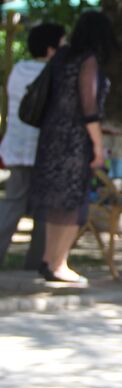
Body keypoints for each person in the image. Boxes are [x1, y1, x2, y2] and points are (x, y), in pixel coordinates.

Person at [29, 11, 112, 285]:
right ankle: (59, 263)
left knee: (54, 203)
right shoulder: (88, 60)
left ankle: (48, 258)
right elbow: (88, 108)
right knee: (72, 203)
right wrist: (99, 146)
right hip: (74, 140)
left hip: (50, 136)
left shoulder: (62, 56)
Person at [0, 21, 63, 269]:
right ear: (50, 49)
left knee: (11, 205)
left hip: (16, 147)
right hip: (44, 149)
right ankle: (38, 262)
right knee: (44, 211)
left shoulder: (17, 70)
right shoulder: (54, 73)